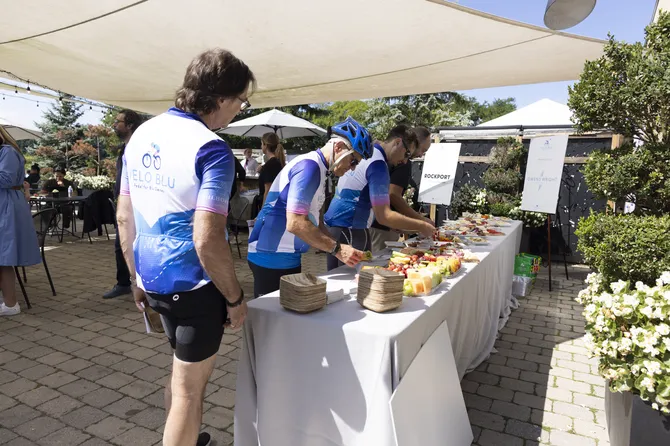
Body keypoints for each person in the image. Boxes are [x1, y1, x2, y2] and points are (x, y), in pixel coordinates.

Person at [116, 48, 254, 446]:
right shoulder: (212, 148)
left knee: (181, 378)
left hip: (153, 279)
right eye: (242, 101)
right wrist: (234, 297)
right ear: (222, 97)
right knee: (189, 392)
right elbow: (207, 238)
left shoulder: (141, 135)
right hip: (194, 287)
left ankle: (188, 438)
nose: (239, 110)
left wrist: (135, 279)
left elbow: (124, 217)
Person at [247, 117, 372, 297]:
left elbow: (315, 220)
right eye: (353, 161)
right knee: (275, 314)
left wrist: (341, 249)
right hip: (271, 257)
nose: (352, 168)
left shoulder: (320, 169)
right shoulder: (310, 167)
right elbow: (296, 223)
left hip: (285, 256)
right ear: (338, 147)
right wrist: (337, 249)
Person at [324, 125, 435, 270]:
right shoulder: (378, 165)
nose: (405, 161)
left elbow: (364, 198)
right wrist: (421, 225)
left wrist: (398, 224)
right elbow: (384, 216)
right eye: (407, 154)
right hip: (353, 230)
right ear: (397, 142)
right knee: (361, 281)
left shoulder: (370, 152)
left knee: (336, 280)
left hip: (336, 229)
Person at [369, 126, 434, 252]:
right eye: (423, 150)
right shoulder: (381, 163)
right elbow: (392, 196)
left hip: (374, 225)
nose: (421, 155)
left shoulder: (377, 156)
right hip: (378, 228)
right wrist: (421, 222)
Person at [103, 109, 144, 299]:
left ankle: (139, 283)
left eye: (118, 122)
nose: (114, 125)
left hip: (138, 204)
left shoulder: (140, 147)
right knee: (121, 244)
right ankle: (123, 283)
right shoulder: (124, 149)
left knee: (135, 243)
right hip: (123, 202)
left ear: (129, 125)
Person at [0, 125, 41, 316]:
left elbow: (6, 179)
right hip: (6, 204)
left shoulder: (7, 151)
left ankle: (11, 304)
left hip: (7, 206)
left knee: (3, 257)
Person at [257, 132, 285, 207]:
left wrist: (263, 210)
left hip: (270, 206)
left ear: (265, 145)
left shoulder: (269, 166)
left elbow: (268, 191)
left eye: (261, 144)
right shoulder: (278, 163)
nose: (261, 146)